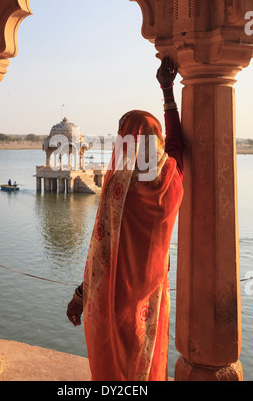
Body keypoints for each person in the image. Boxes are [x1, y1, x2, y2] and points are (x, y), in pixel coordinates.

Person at [67, 57, 184, 381]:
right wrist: (167, 90)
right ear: (155, 142)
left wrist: (80, 295)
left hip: (111, 302)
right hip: (150, 300)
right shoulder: (170, 183)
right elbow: (177, 146)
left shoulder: (119, 187)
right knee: (143, 367)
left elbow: (101, 254)